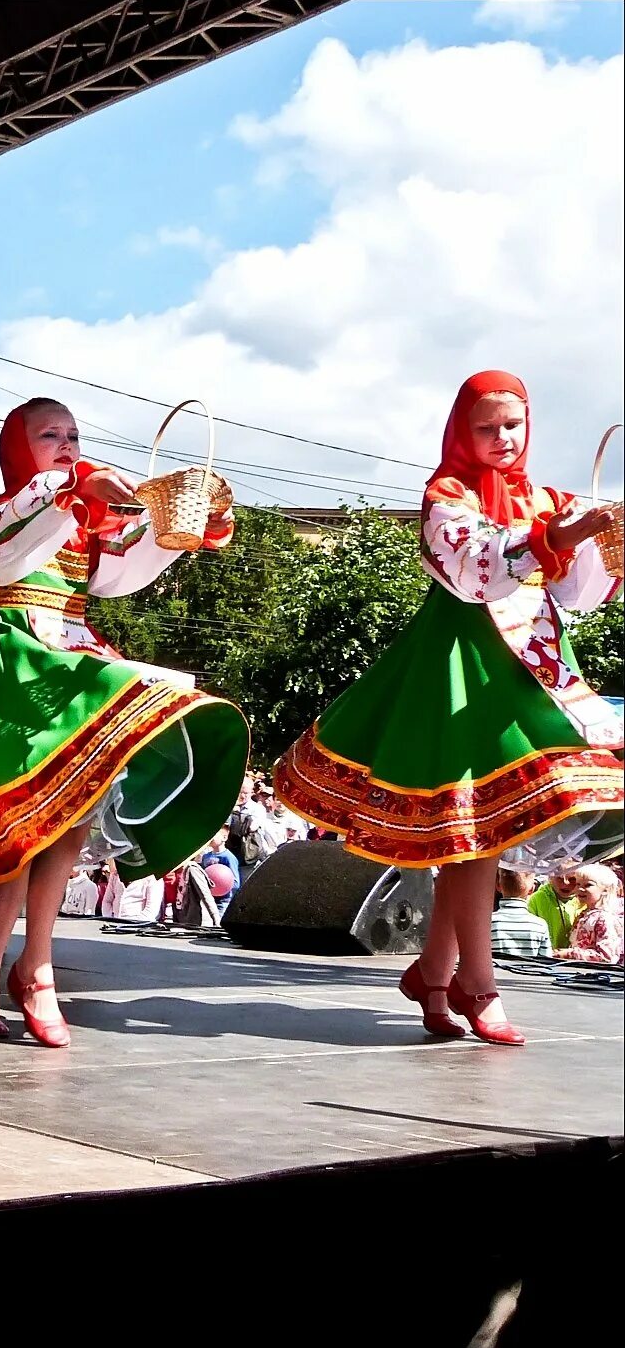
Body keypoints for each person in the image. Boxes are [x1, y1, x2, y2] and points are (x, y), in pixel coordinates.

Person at [276, 372, 622, 1046]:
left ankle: (438, 969)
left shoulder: (546, 497)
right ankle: (472, 981)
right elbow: (475, 572)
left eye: (512, 426)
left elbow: (580, 592)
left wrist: (586, 538)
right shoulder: (446, 496)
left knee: (483, 831)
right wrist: (554, 536)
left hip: (529, 671)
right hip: (459, 667)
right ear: (461, 429)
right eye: (486, 427)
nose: (501, 439)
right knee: (472, 829)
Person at [0, 397, 248, 1044]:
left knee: (68, 811)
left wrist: (183, 521)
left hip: (70, 653)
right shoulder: (8, 511)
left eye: (73, 435)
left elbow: (124, 569)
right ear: (19, 447)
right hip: (20, 666)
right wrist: (75, 484)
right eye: (50, 435)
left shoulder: (84, 519)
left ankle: (27, 966)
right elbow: (7, 545)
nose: (66, 443)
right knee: (20, 822)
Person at [550, 864, 622, 964]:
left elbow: (606, 956)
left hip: (597, 975)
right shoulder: (584, 915)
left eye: (588, 885)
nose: (580, 889)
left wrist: (570, 954)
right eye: (578, 884)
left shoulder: (604, 918)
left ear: (605, 890)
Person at [490, 867, 550, 960]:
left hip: (496, 974)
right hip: (529, 973)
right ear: (532, 889)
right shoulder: (539, 925)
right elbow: (547, 961)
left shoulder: (488, 923)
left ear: (498, 886)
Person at [528, 866, 588, 949]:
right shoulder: (536, 899)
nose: (566, 883)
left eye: (572, 879)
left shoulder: (587, 900)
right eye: (559, 878)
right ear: (550, 877)